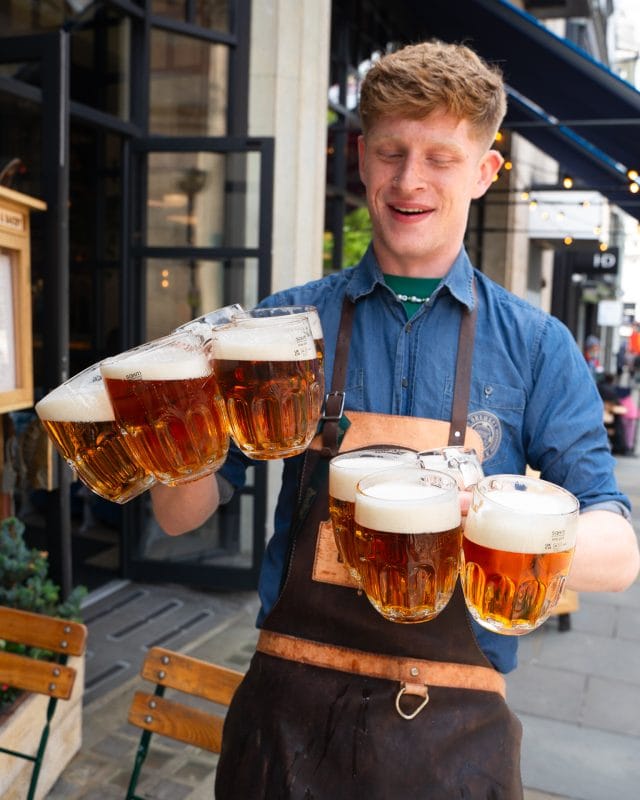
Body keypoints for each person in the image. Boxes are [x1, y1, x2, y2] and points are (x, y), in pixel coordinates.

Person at [151, 40, 639, 799]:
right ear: (361, 158)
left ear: (484, 170)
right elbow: (183, 519)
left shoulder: (538, 346)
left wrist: (505, 524)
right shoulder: (284, 329)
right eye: (391, 152)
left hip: (454, 735)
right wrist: (174, 424)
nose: (410, 179)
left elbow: (620, 551)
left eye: (440, 157)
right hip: (287, 721)